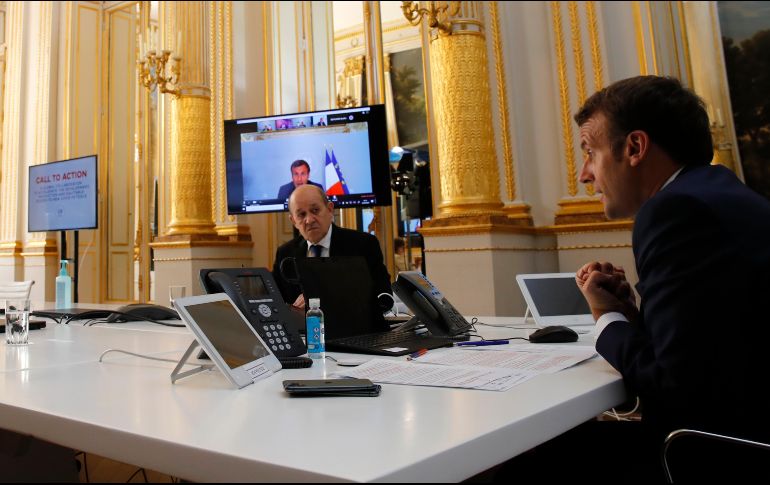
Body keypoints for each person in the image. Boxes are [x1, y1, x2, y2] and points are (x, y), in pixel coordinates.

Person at [501, 75, 770, 483]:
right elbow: (705, 349)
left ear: (634, 148)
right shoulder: (717, 192)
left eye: (589, 152)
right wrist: (625, 312)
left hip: (714, 453)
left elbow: (672, 383)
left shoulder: (676, 211)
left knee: (521, 466)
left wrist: (604, 319)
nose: (583, 175)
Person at [272, 184, 392, 311]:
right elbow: (276, 302)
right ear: (293, 221)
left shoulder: (363, 245)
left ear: (330, 209)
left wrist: (323, 297)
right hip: (302, 329)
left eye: (315, 210)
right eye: (301, 215)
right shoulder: (285, 253)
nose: (309, 220)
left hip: (355, 328)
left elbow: (385, 297)